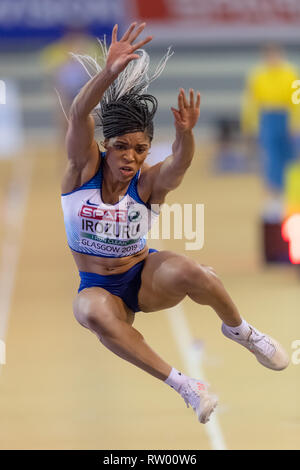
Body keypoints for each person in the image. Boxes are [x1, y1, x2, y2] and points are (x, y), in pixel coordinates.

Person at [61, 23, 289, 425]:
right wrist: (109, 72)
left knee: (189, 269)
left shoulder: (147, 183)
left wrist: (185, 136)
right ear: (104, 145)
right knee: (91, 313)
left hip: (143, 278)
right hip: (99, 286)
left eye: (140, 149)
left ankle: (242, 332)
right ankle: (187, 386)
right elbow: (80, 112)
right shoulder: (82, 172)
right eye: (121, 147)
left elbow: (180, 164)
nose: (130, 157)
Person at [241, 43, 300, 221]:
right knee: (272, 159)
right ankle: (274, 198)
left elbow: (296, 100)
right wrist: (249, 124)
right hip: (267, 117)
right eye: (269, 55)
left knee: (291, 158)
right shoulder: (258, 75)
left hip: (286, 116)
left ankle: (292, 198)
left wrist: (296, 123)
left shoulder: (291, 73)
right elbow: (251, 101)